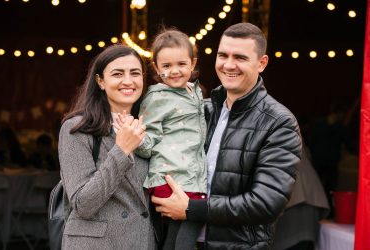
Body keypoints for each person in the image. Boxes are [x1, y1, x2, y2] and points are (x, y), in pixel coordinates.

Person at [151, 22, 302, 249]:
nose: (229, 65)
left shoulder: (279, 122)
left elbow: (266, 202)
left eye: (240, 57)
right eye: (223, 55)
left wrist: (192, 209)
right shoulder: (202, 110)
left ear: (262, 63)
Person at [58, 44, 156, 250]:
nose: (128, 81)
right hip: (95, 244)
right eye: (117, 73)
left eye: (135, 73)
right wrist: (121, 151)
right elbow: (83, 204)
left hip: (140, 242)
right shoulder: (76, 129)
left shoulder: (150, 128)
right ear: (100, 81)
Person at [134, 28, 207, 250]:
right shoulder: (158, 98)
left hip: (188, 174)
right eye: (166, 66)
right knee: (191, 226)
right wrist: (136, 139)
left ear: (192, 64)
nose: (175, 71)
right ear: (156, 68)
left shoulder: (195, 93)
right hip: (174, 178)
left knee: (175, 237)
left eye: (181, 64)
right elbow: (149, 140)